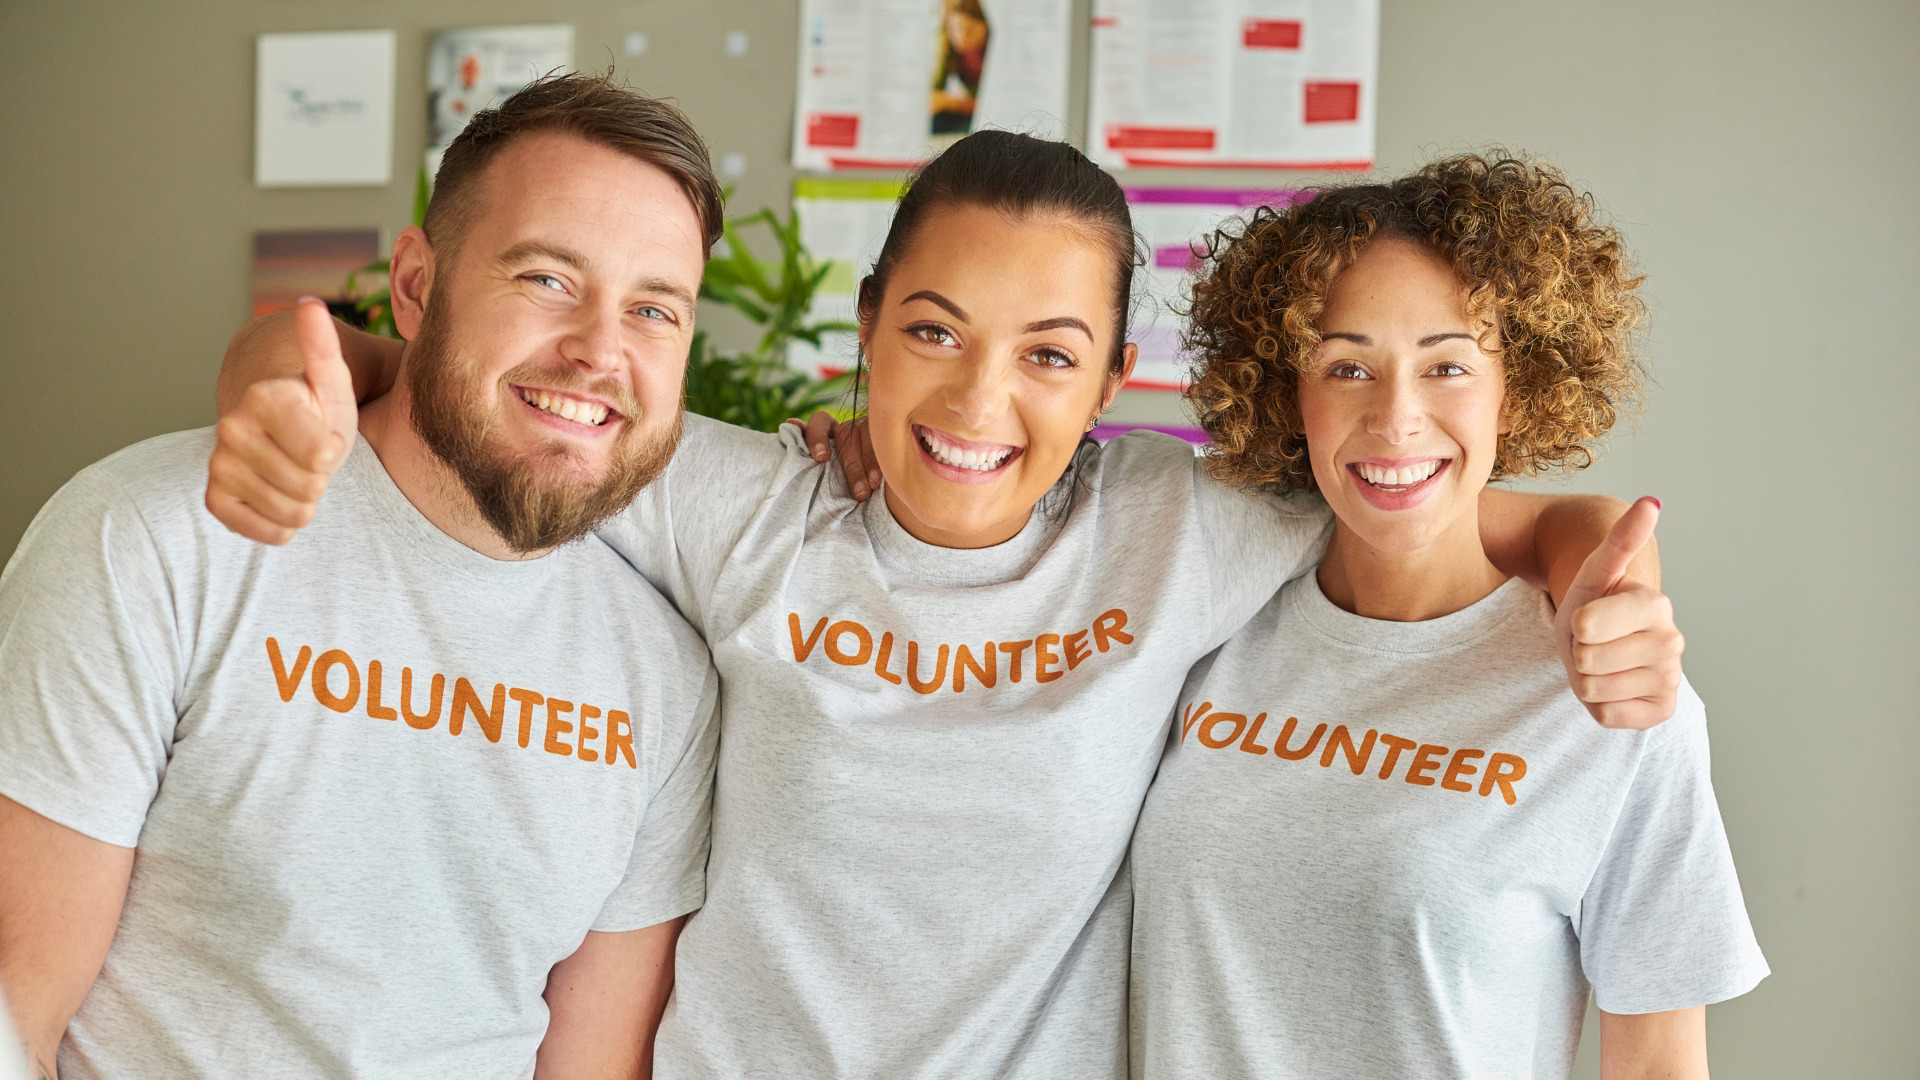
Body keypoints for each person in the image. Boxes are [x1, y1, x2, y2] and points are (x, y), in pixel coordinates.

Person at [205, 131, 1685, 1078]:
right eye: (932, 331)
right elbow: (467, 388)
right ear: (866, 331)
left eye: (1049, 353)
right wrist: (274, 358)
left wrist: (1587, 550)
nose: (979, 398)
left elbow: (1422, 486)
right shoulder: (753, 514)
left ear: (1115, 387)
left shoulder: (1177, 530)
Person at [0, 74, 725, 1079]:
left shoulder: (667, 679)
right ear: (417, 287)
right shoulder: (148, 538)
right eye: (549, 279)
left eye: (654, 310)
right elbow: (13, 1012)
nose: (601, 351)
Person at [1128, 155, 1766, 1080]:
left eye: (1448, 366)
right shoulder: (1208, 622)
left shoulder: (1614, 694)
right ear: (1286, 390)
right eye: (1347, 366)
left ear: (1519, 387)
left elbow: (1660, 1063)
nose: (1397, 418)